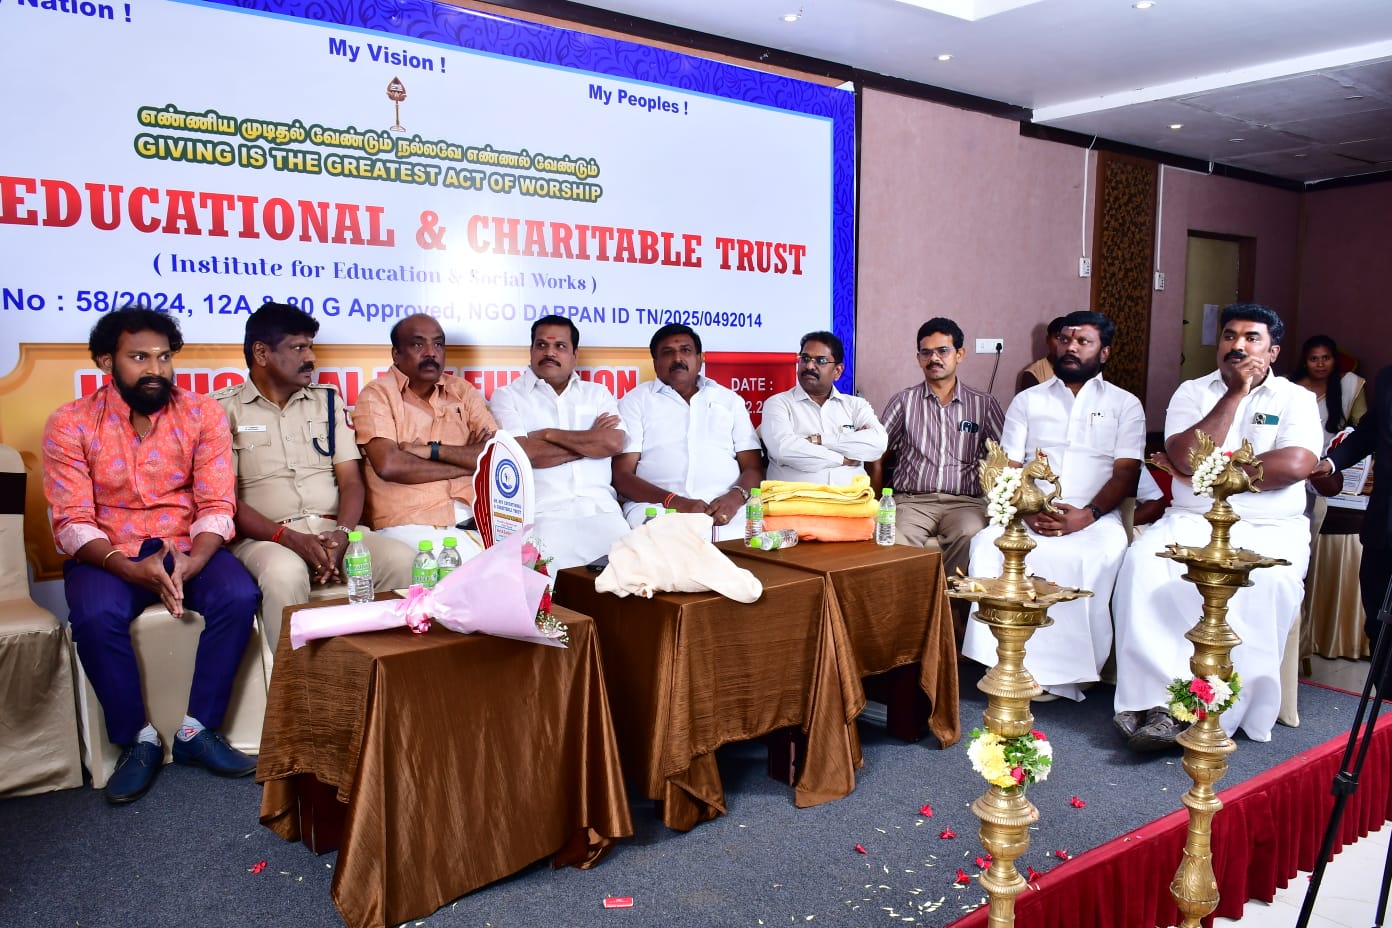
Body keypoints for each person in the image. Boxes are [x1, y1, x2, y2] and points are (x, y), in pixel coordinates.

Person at [42, 307, 260, 804]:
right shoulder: (70, 423)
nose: (156, 369)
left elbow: (216, 503)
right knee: (95, 616)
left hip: (184, 544)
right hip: (107, 552)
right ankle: (136, 740)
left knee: (237, 595)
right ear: (106, 361)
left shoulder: (201, 414)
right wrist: (125, 566)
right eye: (139, 357)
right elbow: (72, 520)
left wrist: (195, 561)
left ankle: (197, 730)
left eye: (164, 357)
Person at [1113, 303, 1321, 749]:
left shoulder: (1296, 399)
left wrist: (1205, 471)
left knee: (1266, 584)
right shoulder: (1192, 392)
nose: (1238, 345)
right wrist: (1235, 395)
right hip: (1192, 520)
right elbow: (1184, 454)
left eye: (1251, 338)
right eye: (1230, 336)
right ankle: (1154, 703)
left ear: (1273, 351)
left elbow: (1296, 464)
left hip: (1269, 526)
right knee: (1143, 565)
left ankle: (1221, 710)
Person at [962, 310, 1143, 702]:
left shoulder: (1125, 404)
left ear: (1104, 352)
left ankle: (1068, 673)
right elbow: (1008, 466)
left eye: (1083, 342)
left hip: (1095, 517)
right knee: (985, 547)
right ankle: (1001, 661)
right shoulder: (1028, 400)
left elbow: (1126, 473)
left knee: (1091, 557)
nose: (1071, 348)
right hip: (1029, 513)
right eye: (1065, 340)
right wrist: (1027, 508)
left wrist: (1086, 516)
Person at [214, 303, 414, 646]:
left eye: (310, 347)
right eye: (298, 348)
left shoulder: (328, 402)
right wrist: (289, 538)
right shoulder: (221, 409)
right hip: (266, 540)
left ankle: (384, 669)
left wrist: (343, 534)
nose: (311, 358)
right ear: (261, 353)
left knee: (402, 560)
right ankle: (295, 679)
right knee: (284, 574)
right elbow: (225, 500)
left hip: (332, 531)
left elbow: (351, 481)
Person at [489, 314, 631, 569]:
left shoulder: (597, 393)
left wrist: (547, 434)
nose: (549, 352)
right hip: (543, 515)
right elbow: (525, 453)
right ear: (531, 349)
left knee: (627, 579)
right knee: (550, 589)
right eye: (541, 345)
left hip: (603, 511)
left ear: (575, 354)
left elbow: (613, 443)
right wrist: (591, 442)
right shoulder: (507, 396)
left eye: (560, 346)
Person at [353, 314, 499, 553]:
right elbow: (389, 465)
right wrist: (468, 463)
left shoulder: (462, 391)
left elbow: (496, 455)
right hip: (409, 524)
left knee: (526, 557)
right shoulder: (377, 395)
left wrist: (431, 451)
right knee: (488, 565)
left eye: (438, 344)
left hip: (475, 520)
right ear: (396, 353)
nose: (431, 353)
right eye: (418, 344)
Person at [880, 318, 1003, 586]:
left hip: (965, 503)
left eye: (943, 351)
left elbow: (1005, 456)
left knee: (971, 533)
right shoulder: (904, 402)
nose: (934, 358)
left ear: (960, 354)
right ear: (918, 358)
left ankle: (949, 605)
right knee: (892, 535)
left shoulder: (983, 404)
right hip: (912, 502)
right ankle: (914, 603)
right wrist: (876, 498)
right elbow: (877, 451)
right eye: (926, 352)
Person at [612, 323, 762, 542]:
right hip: (658, 507)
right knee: (662, 542)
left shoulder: (729, 400)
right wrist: (676, 502)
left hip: (728, 508)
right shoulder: (636, 401)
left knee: (750, 542)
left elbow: (753, 468)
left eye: (686, 350)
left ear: (699, 359)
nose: (677, 358)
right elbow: (622, 476)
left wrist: (735, 498)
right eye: (667, 352)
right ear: (655, 363)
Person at [1311, 364, 1392, 664]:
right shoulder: (1387, 378)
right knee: (1377, 619)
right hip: (1383, 525)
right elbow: (1369, 432)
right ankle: (1384, 688)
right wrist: (1331, 463)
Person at [759, 330, 887, 484]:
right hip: (796, 497)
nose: (809, 366)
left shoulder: (856, 405)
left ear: (837, 371)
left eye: (820, 361)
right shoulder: (778, 404)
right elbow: (783, 450)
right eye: (805, 358)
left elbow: (878, 444)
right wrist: (842, 458)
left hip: (852, 497)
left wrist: (817, 441)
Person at [1292, 334, 1367, 449]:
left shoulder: (1349, 383)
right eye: (1314, 359)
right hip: (1290, 452)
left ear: (1334, 360)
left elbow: (1363, 425)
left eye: (1326, 358)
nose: (1320, 364)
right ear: (1305, 362)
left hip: (1330, 456)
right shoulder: (1289, 387)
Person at [1018, 316, 1066, 391]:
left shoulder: (1080, 369)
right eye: (1058, 337)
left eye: (1066, 339)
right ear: (1048, 340)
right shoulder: (1033, 374)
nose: (1062, 343)